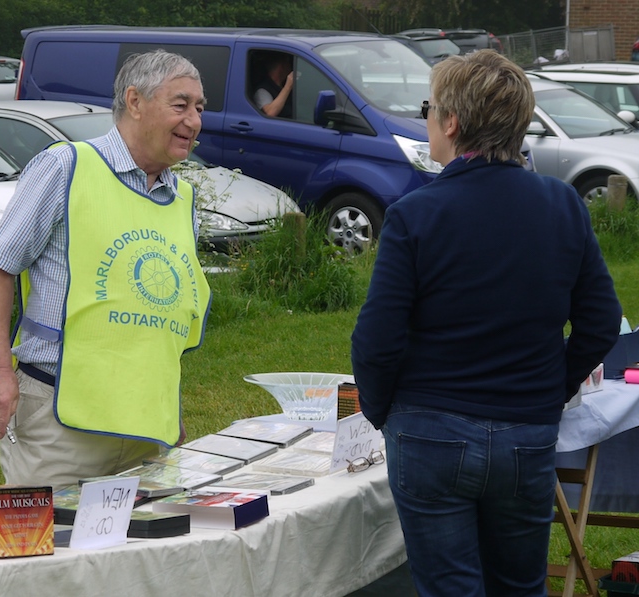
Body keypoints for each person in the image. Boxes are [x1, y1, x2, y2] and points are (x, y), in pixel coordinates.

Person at [351, 50, 622, 597]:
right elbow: (600, 321)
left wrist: (383, 411)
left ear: (451, 122)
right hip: (524, 430)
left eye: (429, 108)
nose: (426, 118)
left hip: (430, 427)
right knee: (520, 587)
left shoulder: (416, 213)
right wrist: (553, 388)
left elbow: (376, 338)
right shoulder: (561, 204)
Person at [0, 50, 211, 490]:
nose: (194, 121)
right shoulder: (65, 167)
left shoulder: (183, 201)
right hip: (59, 419)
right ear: (135, 101)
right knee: (47, 552)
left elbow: (169, 316)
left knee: (144, 552)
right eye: (180, 105)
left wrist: (169, 410)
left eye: (199, 108)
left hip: (145, 424)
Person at [254, 52, 294, 118]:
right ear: (281, 67)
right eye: (288, 63)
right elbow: (270, 113)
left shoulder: (283, 85)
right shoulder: (262, 91)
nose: (290, 67)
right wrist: (288, 87)